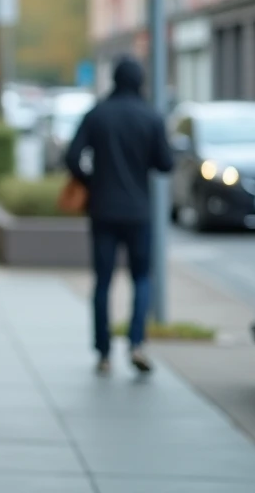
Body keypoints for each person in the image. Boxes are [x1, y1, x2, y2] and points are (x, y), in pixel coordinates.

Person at [65, 56, 173, 376]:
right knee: (141, 278)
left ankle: (103, 352)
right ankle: (136, 343)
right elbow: (165, 164)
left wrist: (90, 181)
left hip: (103, 209)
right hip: (138, 212)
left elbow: (72, 156)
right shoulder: (150, 117)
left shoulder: (98, 114)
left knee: (103, 281)